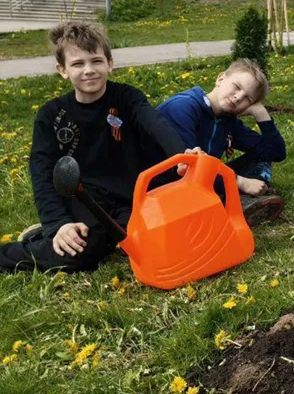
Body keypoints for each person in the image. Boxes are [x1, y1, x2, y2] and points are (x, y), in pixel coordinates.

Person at [0, 22, 194, 273]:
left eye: (96, 61)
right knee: (79, 254)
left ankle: (46, 235)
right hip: (83, 198)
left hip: (128, 199)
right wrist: (58, 223)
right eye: (78, 64)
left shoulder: (127, 98)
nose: (89, 70)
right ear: (63, 70)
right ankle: (28, 245)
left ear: (110, 63)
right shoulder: (50, 115)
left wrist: (181, 154)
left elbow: (155, 124)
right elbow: (42, 173)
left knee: (153, 245)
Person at [157, 59, 287, 226]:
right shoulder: (183, 107)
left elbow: (275, 152)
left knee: (260, 157)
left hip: (202, 180)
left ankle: (236, 201)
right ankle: (236, 201)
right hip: (166, 186)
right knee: (200, 173)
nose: (238, 97)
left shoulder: (227, 120)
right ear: (220, 79)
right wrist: (240, 182)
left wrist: (261, 114)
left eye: (248, 98)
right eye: (237, 86)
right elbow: (187, 167)